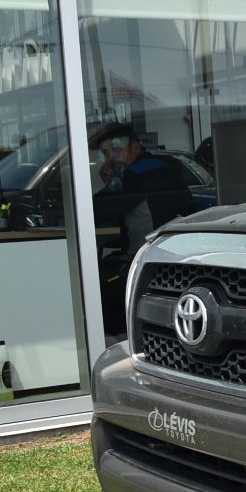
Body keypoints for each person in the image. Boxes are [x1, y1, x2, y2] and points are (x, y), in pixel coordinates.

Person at [90, 124, 195, 335]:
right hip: (174, 254)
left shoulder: (135, 174)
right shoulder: (163, 166)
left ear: (136, 147)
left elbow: (99, 210)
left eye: (116, 149)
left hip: (143, 256)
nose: (112, 156)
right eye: (106, 152)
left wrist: (109, 182)